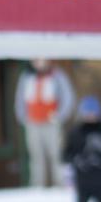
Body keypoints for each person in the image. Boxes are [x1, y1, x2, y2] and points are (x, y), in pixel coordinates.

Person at [14, 59, 75, 188]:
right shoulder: (26, 76)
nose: (39, 63)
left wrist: (60, 116)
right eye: (36, 60)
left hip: (51, 122)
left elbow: (68, 96)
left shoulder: (57, 75)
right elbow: (20, 98)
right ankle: (37, 185)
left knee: (56, 154)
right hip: (32, 122)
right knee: (36, 155)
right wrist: (22, 117)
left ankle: (60, 184)